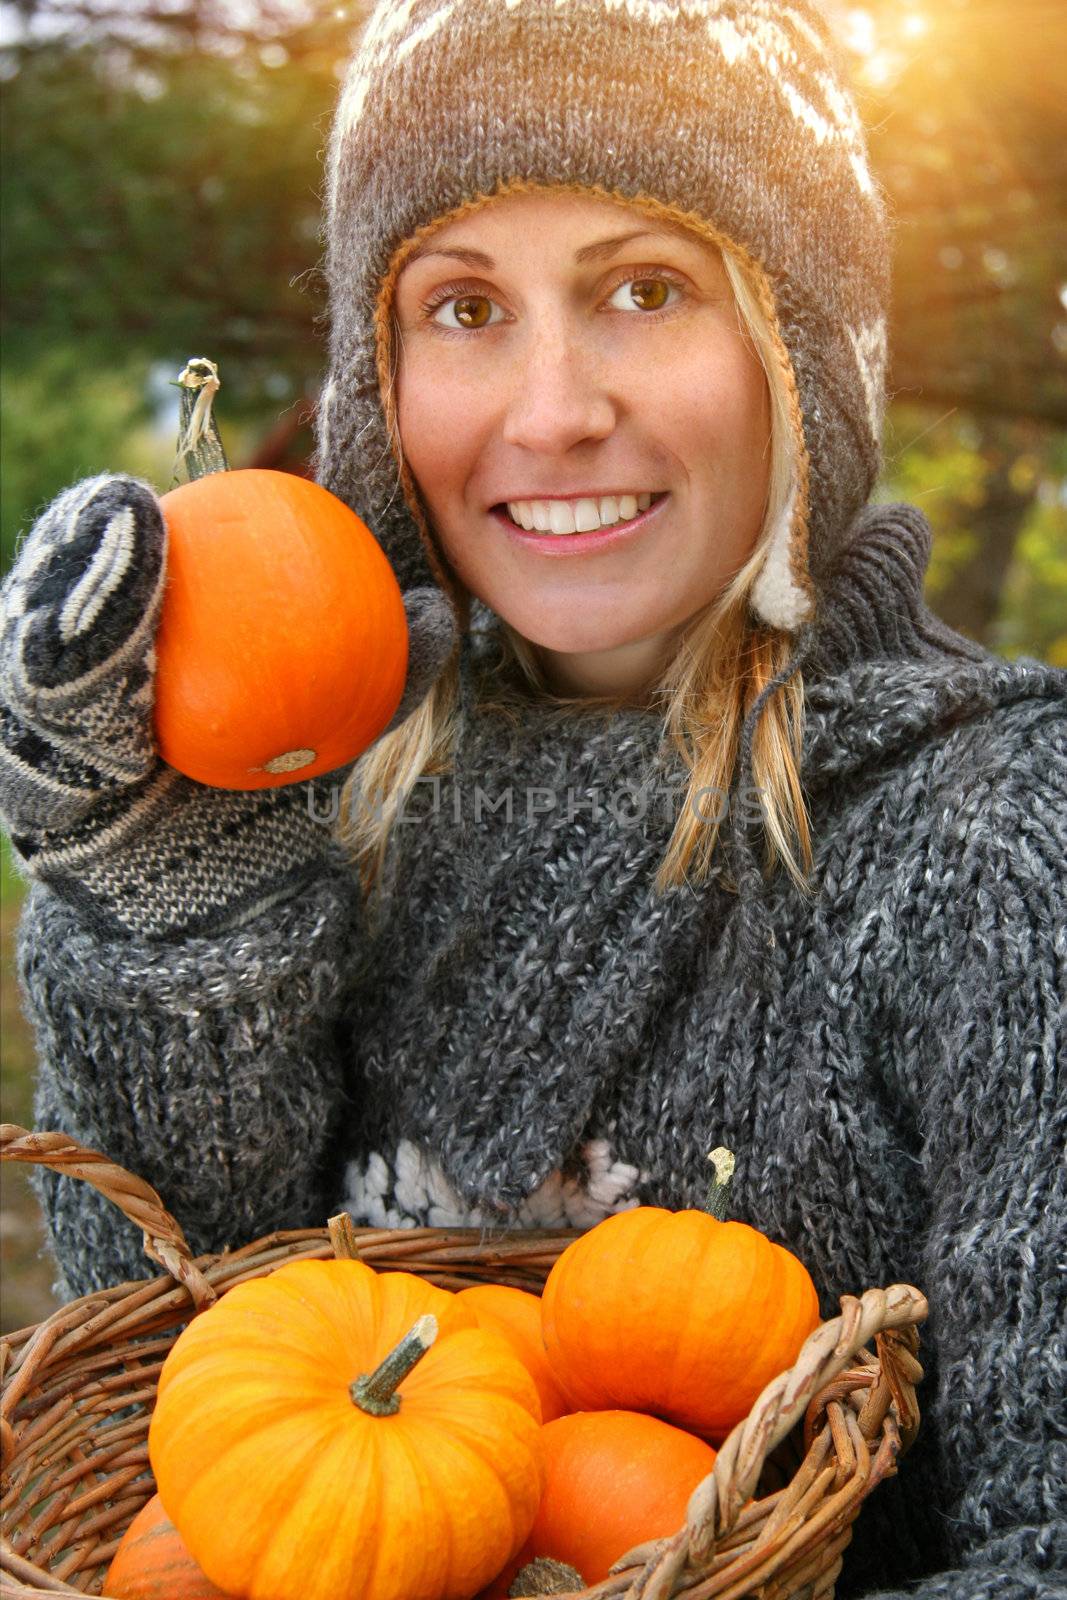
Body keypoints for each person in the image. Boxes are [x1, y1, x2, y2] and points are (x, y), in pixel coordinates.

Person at [1, 0, 1063, 1595]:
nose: (552, 410)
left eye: (647, 289)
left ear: (804, 350)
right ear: (382, 376)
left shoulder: (990, 829)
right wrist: (171, 931)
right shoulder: (335, 795)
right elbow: (193, 1420)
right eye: (464, 306)